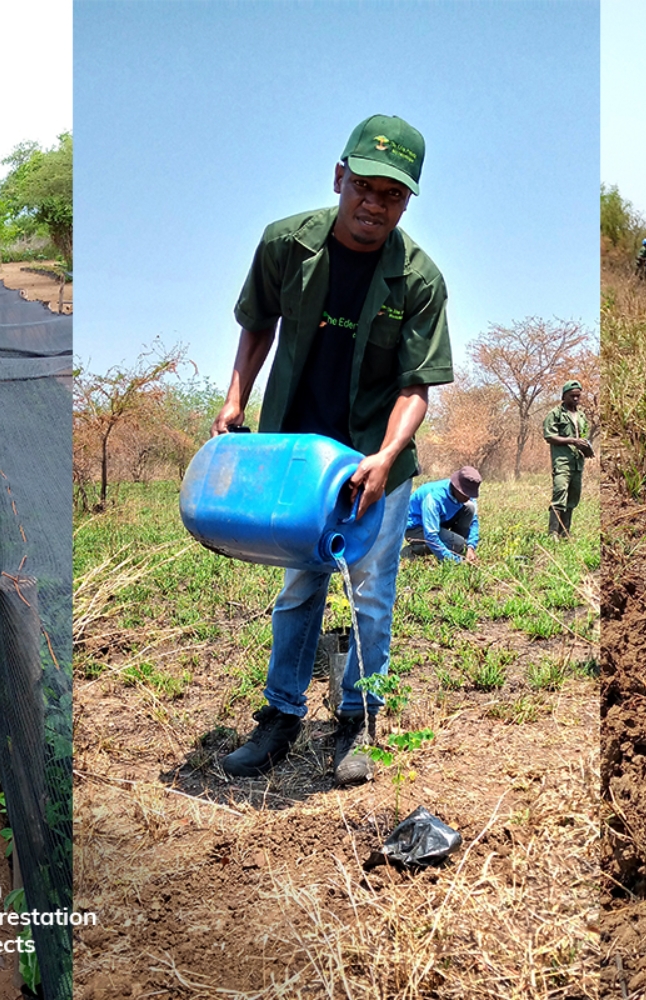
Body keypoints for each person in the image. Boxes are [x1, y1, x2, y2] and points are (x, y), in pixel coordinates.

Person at [211, 114, 452, 786]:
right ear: (339, 176)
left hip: (377, 458)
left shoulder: (420, 280)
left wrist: (383, 457)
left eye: (393, 195)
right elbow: (257, 324)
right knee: (300, 586)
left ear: (407, 201)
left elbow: (416, 385)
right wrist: (236, 399)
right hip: (299, 455)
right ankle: (281, 716)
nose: (375, 203)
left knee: (371, 592)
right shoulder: (286, 244)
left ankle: (360, 718)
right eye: (365, 187)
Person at [543, 380, 592, 538]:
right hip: (562, 462)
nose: (576, 399)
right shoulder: (555, 414)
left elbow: (582, 436)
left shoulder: (582, 415)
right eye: (572, 396)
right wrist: (572, 441)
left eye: (578, 396)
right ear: (564, 396)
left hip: (577, 463)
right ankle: (553, 534)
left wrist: (586, 448)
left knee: (573, 497)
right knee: (559, 494)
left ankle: (565, 533)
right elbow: (549, 436)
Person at [404, 466, 481, 563]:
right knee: (458, 544)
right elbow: (431, 535)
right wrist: (454, 561)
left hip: (439, 520)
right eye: (466, 495)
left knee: (470, 508)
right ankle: (411, 551)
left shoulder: (466, 495)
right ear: (457, 489)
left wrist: (471, 547)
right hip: (416, 527)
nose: (469, 497)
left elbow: (473, 521)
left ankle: (453, 546)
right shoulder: (434, 499)